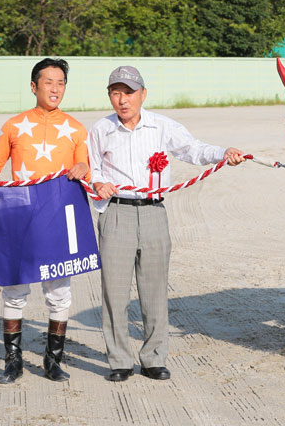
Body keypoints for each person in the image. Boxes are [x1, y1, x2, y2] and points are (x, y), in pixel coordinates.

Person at [88, 66, 246, 382]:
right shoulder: (100, 130)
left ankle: (153, 358)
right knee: (114, 292)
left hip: (153, 213)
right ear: (109, 96)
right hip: (116, 213)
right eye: (116, 93)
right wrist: (98, 182)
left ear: (143, 94)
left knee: (154, 289)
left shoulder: (161, 126)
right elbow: (92, 167)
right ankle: (120, 360)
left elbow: (193, 149)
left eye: (129, 92)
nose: (122, 100)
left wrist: (223, 153)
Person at [0, 58, 89, 384]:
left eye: (60, 82)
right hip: (21, 218)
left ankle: (53, 359)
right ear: (34, 86)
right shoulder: (14, 125)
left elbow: (84, 165)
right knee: (14, 287)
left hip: (57, 220)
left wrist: (83, 168)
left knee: (58, 291)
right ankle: (13, 361)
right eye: (48, 82)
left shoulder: (76, 129)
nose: (55, 89)